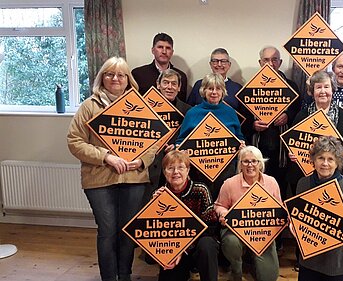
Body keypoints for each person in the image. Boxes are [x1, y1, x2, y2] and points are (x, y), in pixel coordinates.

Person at [67, 57, 156, 281]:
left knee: (126, 230)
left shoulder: (139, 106)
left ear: (128, 79)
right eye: (109, 74)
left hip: (133, 178)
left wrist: (142, 160)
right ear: (101, 78)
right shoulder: (89, 106)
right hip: (99, 179)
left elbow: (153, 141)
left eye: (121, 75)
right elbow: (75, 142)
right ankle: (108, 277)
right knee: (107, 230)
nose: (115, 79)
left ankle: (124, 275)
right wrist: (106, 157)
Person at [295, 136, 343, 281]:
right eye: (320, 158)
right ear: (313, 160)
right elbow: (297, 216)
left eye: (330, 159)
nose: (325, 163)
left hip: (336, 260)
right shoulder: (303, 184)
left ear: (337, 162)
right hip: (309, 257)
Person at [215, 146, 281, 281]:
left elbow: (279, 209)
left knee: (269, 277)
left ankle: (254, 261)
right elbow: (219, 205)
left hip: (263, 232)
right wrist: (224, 214)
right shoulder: (229, 184)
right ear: (240, 164)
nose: (250, 165)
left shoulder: (271, 182)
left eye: (254, 161)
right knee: (231, 242)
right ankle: (236, 268)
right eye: (245, 161)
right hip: (235, 231)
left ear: (260, 163)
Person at [288, 70, 343, 195]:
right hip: (306, 178)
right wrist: (292, 153)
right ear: (312, 91)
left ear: (332, 90)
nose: (322, 91)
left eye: (326, 87)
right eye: (318, 87)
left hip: (336, 178)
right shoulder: (302, 115)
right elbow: (290, 143)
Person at [176, 72, 245, 199]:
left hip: (226, 170)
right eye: (210, 88)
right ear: (203, 91)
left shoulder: (230, 112)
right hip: (198, 170)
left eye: (218, 88)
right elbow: (181, 141)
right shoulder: (192, 113)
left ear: (223, 91)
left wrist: (241, 145)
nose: (214, 92)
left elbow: (239, 137)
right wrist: (179, 148)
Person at [153, 150, 219, 281]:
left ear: (188, 170)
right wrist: (153, 206)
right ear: (165, 172)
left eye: (181, 167)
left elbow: (210, 227)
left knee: (207, 245)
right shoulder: (159, 194)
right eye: (170, 168)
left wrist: (184, 248)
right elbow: (155, 232)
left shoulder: (201, 189)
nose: (175, 172)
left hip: (197, 247)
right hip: (171, 249)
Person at [253, 45, 301, 201]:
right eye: (266, 60)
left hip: (282, 152)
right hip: (259, 148)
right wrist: (253, 125)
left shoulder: (292, 86)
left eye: (274, 60)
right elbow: (243, 118)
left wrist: (288, 115)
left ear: (280, 62)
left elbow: (299, 113)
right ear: (260, 63)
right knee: (258, 188)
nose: (271, 63)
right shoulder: (252, 86)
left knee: (279, 189)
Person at [132, 33, 188, 101]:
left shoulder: (181, 76)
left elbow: (182, 105)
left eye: (168, 48)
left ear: (172, 52)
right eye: (160, 47)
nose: (164, 51)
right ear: (153, 50)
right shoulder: (138, 74)